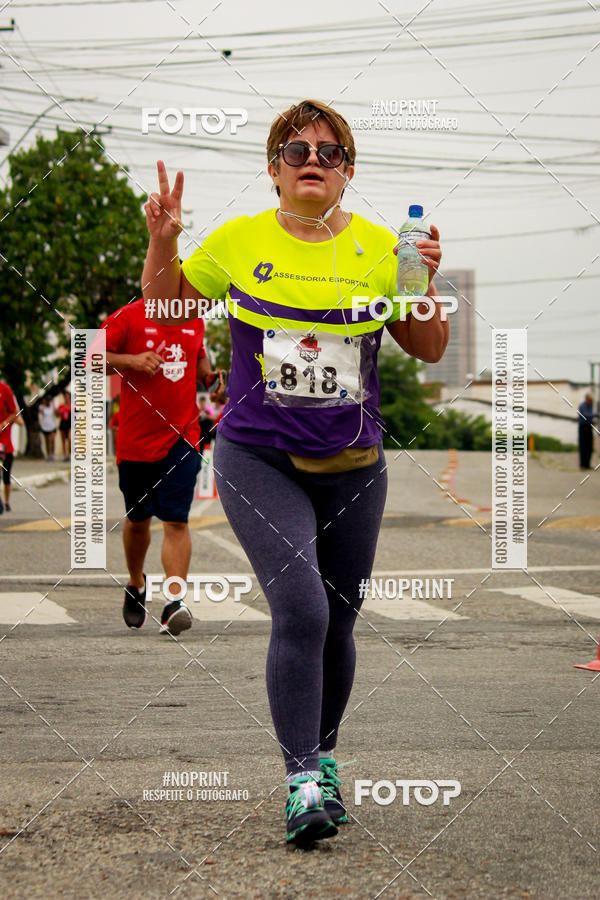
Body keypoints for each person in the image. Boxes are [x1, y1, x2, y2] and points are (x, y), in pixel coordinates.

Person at [141, 99, 447, 845]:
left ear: (348, 172)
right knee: (303, 610)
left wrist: (421, 284)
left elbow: (429, 347)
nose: (313, 159)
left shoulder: (382, 248)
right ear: (274, 167)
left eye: (330, 152)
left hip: (354, 465)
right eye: (296, 148)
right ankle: (301, 779)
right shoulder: (242, 240)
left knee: (339, 618)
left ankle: (328, 759)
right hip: (258, 455)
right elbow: (163, 303)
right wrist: (162, 242)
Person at [102, 297, 220, 636]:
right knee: (138, 522)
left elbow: (201, 366)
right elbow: (87, 358)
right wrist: (131, 361)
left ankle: (173, 603)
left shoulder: (193, 319)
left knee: (176, 522)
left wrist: (215, 383)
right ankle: (136, 584)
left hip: (182, 437)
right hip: (136, 440)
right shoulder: (128, 316)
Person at [0, 378, 19, 514]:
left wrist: (4, 424)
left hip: (4, 444)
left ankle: (6, 502)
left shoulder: (4, 389)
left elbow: (15, 413)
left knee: (5, 476)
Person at [578, 392, 598, 470]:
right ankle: (583, 465)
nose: (591, 401)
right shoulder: (583, 406)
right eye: (590, 400)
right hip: (583, 427)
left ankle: (587, 464)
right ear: (587, 399)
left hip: (589, 427)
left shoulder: (590, 406)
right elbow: (585, 415)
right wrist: (596, 414)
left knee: (589, 447)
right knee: (584, 446)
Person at [38, 395, 57, 461]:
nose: (48, 402)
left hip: (52, 426)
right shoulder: (42, 407)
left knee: (51, 440)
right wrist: (43, 404)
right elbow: (40, 412)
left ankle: (52, 454)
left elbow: (56, 413)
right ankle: (48, 454)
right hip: (45, 426)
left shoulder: (52, 407)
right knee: (47, 441)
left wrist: (53, 404)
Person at [57, 391, 71, 461]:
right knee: (63, 440)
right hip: (63, 423)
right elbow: (57, 415)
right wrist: (57, 412)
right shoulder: (61, 406)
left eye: (67, 396)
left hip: (70, 423)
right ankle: (65, 455)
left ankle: (70, 454)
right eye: (65, 396)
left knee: (70, 439)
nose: (66, 398)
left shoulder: (72, 405)